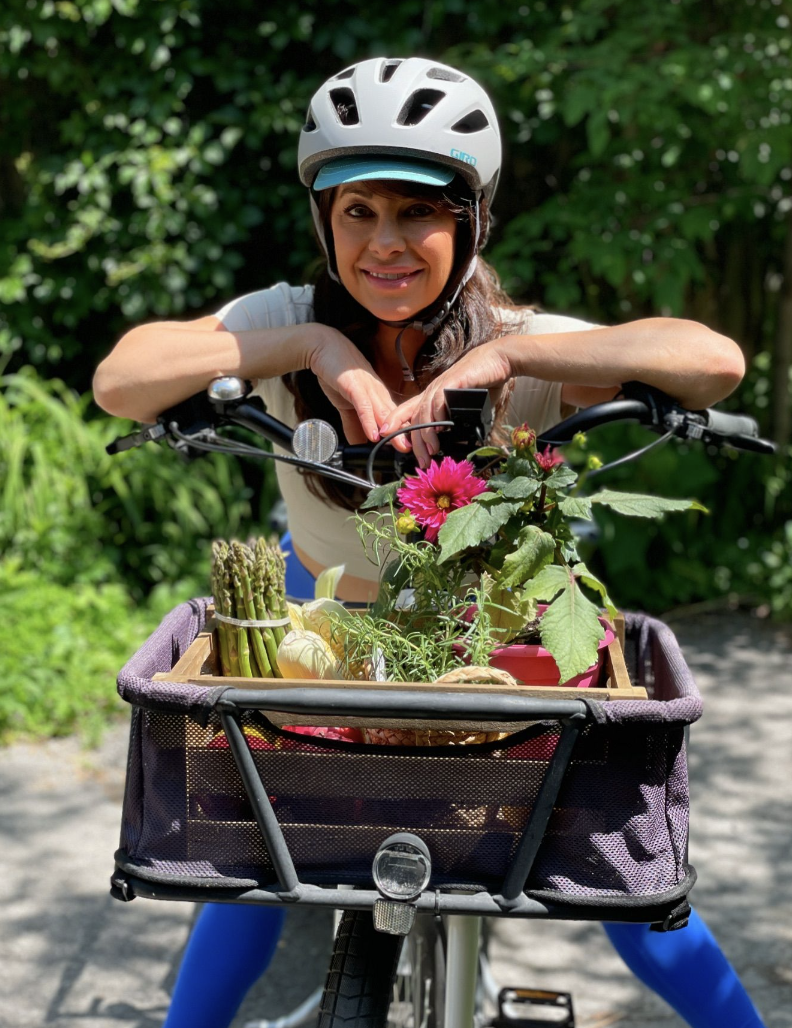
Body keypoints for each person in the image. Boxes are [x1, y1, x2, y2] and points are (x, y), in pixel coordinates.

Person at [93, 56, 763, 1028]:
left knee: (624, 866)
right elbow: (123, 378)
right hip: (319, 621)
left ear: (470, 220)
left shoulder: (520, 341)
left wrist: (509, 357)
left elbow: (714, 360)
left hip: (495, 645)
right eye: (357, 211)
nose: (385, 243)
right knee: (241, 855)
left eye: (418, 212)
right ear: (325, 222)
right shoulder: (287, 320)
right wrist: (316, 350)